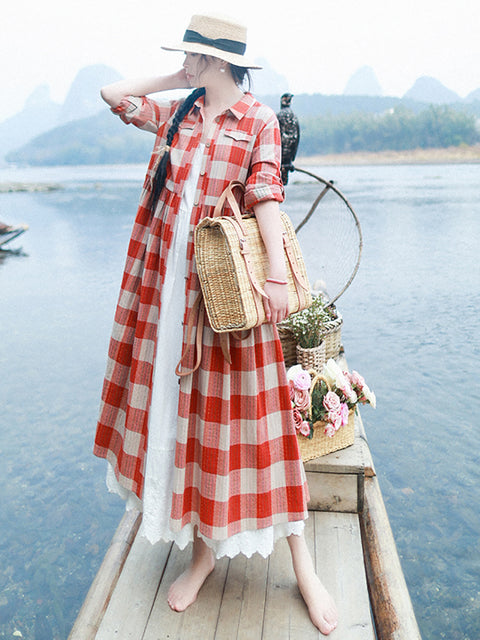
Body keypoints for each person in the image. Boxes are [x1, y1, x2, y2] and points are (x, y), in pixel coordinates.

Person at [93, 13, 338, 635]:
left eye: (196, 55)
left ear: (221, 61)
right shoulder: (181, 111)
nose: (189, 64)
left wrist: (279, 279)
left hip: (226, 296)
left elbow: (266, 198)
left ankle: (304, 566)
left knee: (259, 425)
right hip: (170, 293)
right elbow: (115, 95)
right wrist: (177, 75)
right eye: (187, 57)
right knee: (194, 425)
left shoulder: (256, 120)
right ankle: (202, 557)